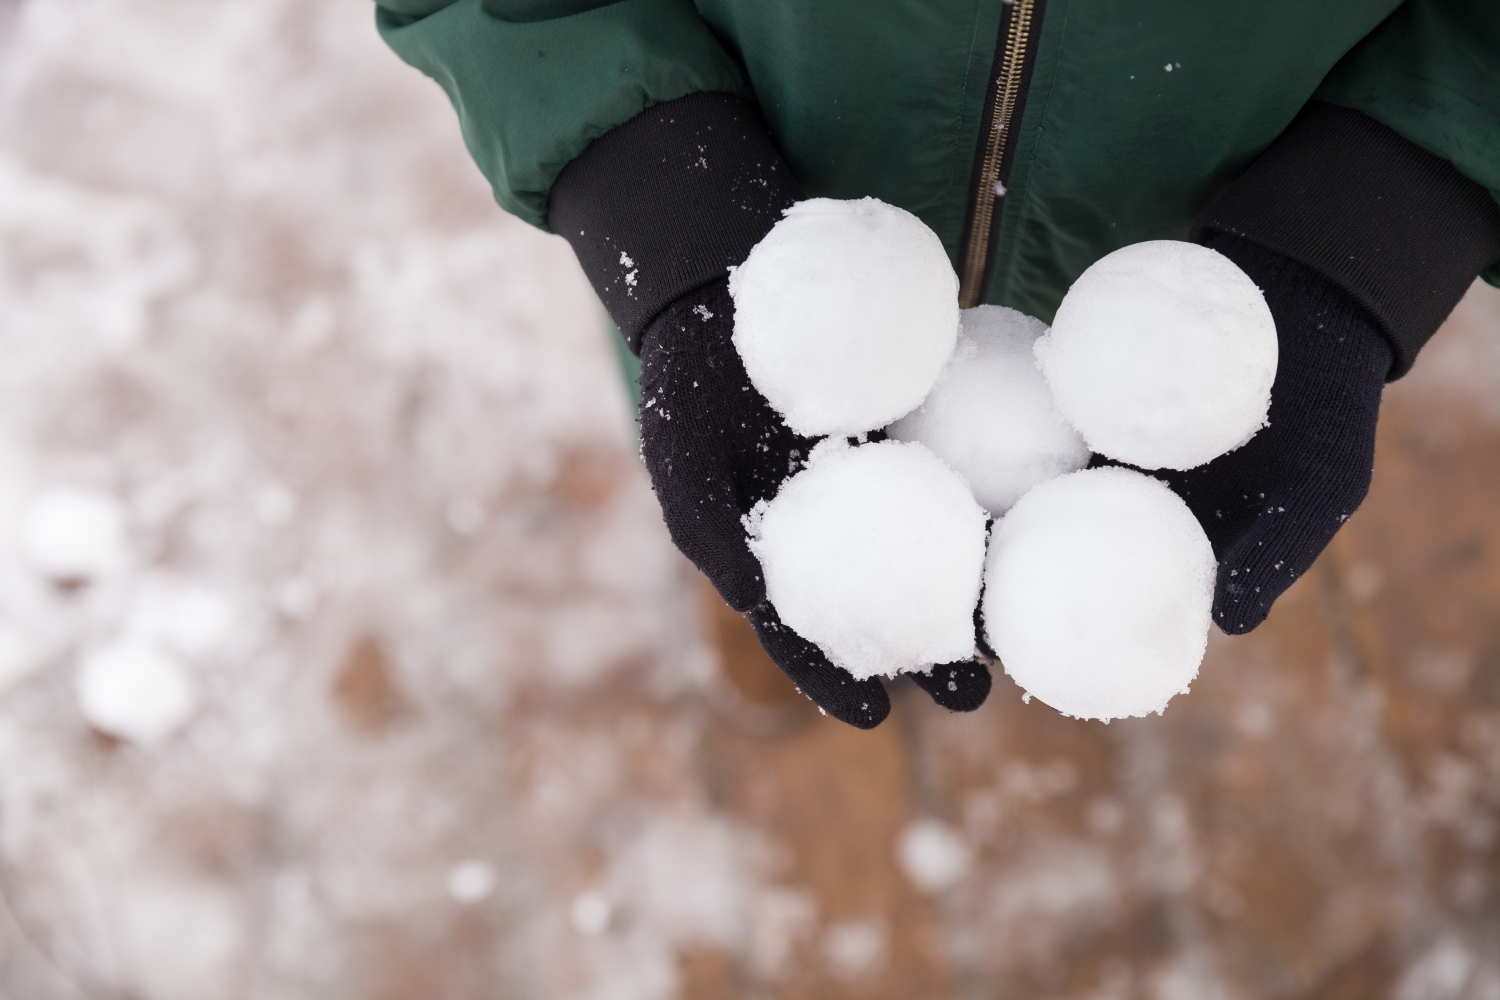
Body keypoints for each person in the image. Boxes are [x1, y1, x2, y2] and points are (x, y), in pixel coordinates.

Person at [374, 0, 1500, 728]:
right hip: (753, 234)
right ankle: (776, 588)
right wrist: (655, 194)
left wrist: (1384, 217)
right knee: (734, 460)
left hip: (1221, 226)